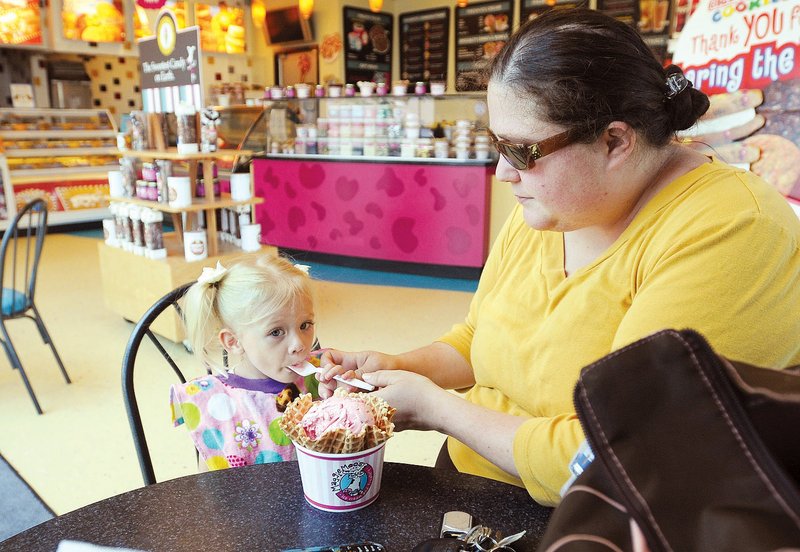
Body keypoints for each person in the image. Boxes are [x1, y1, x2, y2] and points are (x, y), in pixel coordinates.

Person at [318, 8, 800, 506]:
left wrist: (439, 411)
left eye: (523, 151)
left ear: (615, 140)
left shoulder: (732, 230)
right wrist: (397, 366)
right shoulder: (557, 206)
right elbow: (479, 337)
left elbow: (618, 458)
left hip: (597, 519)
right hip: (472, 481)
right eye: (496, 144)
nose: (504, 172)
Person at [170, 255, 319, 471]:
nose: (299, 344)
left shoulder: (319, 378)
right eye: (276, 332)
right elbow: (211, 490)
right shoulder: (215, 402)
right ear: (233, 342)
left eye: (305, 325)